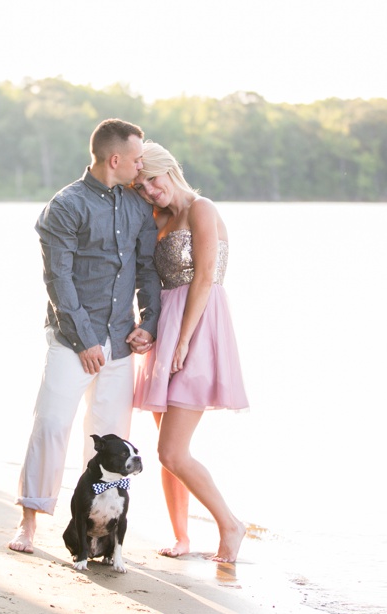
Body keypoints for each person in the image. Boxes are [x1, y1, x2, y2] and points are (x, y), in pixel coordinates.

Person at [7, 119, 162, 554]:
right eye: (136, 158)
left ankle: (102, 533)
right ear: (115, 160)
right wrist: (84, 340)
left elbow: (147, 270)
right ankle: (30, 522)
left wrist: (147, 323)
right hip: (71, 341)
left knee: (113, 439)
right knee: (52, 424)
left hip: (119, 340)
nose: (140, 164)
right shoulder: (65, 206)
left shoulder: (137, 206)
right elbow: (57, 280)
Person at [132, 141, 249, 563]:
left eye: (152, 180)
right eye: (140, 186)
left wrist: (182, 339)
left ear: (169, 169)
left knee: (172, 451)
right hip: (167, 326)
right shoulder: (158, 217)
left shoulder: (202, 208)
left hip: (199, 326)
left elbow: (203, 280)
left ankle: (231, 525)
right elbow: (150, 282)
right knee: (166, 447)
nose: (148, 191)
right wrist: (148, 328)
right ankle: (181, 537)